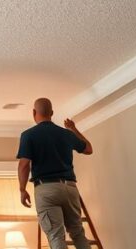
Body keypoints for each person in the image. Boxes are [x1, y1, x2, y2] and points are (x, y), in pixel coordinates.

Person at [17, 97, 94, 249]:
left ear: (34, 113)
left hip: (46, 189)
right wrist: (73, 129)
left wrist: (22, 189)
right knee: (78, 233)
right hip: (70, 188)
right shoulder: (66, 134)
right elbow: (88, 149)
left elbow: (24, 165)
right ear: (52, 113)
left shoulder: (28, 135)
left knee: (56, 236)